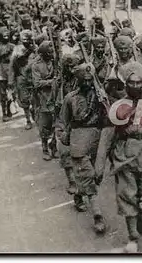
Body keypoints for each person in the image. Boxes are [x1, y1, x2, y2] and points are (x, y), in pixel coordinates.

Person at [100, 63, 142, 251]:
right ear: (126, 84)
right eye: (131, 83)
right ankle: (132, 234)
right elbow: (108, 135)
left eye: (138, 83)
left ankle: (140, 212)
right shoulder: (118, 106)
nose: (135, 86)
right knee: (127, 194)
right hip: (125, 153)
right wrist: (100, 165)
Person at [59, 63, 106, 234]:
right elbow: (62, 122)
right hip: (78, 140)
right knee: (88, 178)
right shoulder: (70, 98)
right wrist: (64, 139)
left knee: (94, 175)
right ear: (78, 80)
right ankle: (98, 216)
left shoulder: (100, 96)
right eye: (83, 80)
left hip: (96, 139)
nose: (87, 83)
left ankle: (79, 193)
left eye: (90, 80)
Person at [55, 53, 81, 195]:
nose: (72, 70)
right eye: (68, 67)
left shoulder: (83, 80)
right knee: (65, 151)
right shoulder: (59, 83)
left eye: (74, 67)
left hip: (80, 119)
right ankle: (72, 182)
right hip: (63, 118)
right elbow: (54, 102)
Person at [32, 41, 58, 161]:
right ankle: (45, 148)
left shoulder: (54, 61)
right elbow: (37, 83)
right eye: (49, 52)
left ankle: (54, 146)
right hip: (43, 97)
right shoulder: (36, 65)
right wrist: (51, 82)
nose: (51, 54)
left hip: (55, 96)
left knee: (55, 122)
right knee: (44, 124)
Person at [8, 30, 38, 130]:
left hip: (34, 77)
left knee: (35, 99)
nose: (26, 41)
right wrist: (11, 80)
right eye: (23, 39)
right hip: (21, 77)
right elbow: (12, 65)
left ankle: (35, 115)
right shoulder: (17, 49)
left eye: (27, 39)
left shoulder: (35, 49)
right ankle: (28, 120)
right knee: (24, 100)